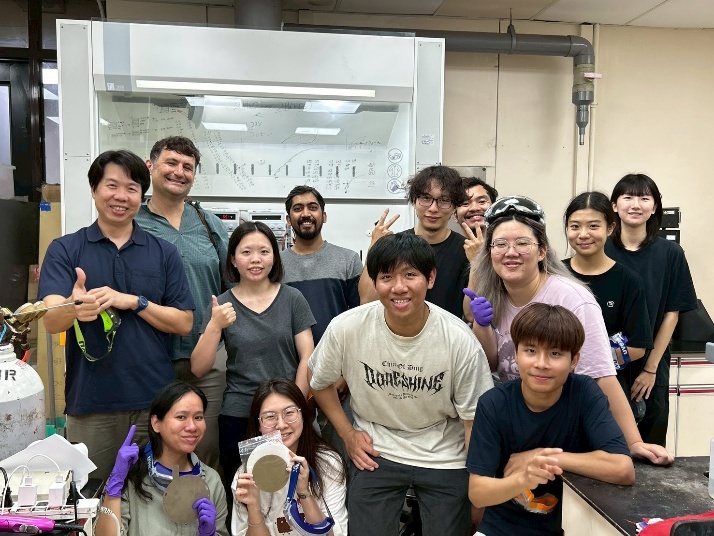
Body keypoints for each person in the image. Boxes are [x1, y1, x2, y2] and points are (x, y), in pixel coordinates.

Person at [466, 195, 673, 465]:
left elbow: (602, 375)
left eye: (522, 243)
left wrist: (633, 442)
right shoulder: (494, 294)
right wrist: (481, 326)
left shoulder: (572, 299)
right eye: (500, 244)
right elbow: (495, 363)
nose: (511, 252)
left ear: (542, 251)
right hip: (520, 428)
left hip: (567, 434)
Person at [310, 232, 493, 536]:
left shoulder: (458, 339)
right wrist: (349, 435)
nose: (398, 287)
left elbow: (473, 422)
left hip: (444, 454)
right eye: (386, 277)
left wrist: (478, 488)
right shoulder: (347, 327)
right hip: (377, 449)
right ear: (374, 281)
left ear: (430, 278)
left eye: (410, 275)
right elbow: (319, 383)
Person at [38, 150, 194, 481]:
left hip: (155, 404)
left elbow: (184, 323)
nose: (121, 196)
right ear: (94, 190)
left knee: (157, 492)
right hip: (92, 404)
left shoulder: (163, 252)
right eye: (112, 185)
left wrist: (135, 301)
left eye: (132, 188)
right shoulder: (66, 249)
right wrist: (74, 306)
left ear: (141, 195)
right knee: (91, 492)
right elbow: (51, 321)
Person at [467, 303, 634, 536]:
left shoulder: (585, 394)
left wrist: (542, 457)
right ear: (516, 354)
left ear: (574, 360)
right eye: (530, 350)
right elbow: (478, 493)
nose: (541, 364)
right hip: (502, 529)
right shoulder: (493, 404)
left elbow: (623, 469)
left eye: (555, 353)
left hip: (571, 528)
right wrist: (523, 479)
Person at [191, 221, 315, 499]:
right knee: (245, 493)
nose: (256, 259)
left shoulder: (292, 298)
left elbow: (308, 355)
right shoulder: (221, 304)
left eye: (264, 251)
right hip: (240, 414)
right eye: (246, 252)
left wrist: (294, 407)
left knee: (291, 489)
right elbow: (198, 368)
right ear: (233, 259)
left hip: (286, 415)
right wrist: (214, 325)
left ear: (275, 257)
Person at [135, 136, 229, 473]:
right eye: (171, 163)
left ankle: (205, 505)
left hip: (207, 355)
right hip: (150, 357)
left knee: (205, 447)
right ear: (150, 166)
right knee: (151, 447)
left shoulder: (208, 223)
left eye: (187, 167)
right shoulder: (134, 222)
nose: (179, 172)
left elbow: (232, 283)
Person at [605, 174, 697, 446]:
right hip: (606, 362)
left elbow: (672, 313)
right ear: (614, 205)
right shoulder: (601, 249)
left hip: (652, 362)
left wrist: (651, 368)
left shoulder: (670, 253)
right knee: (607, 440)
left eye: (644, 198)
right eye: (628, 197)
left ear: (655, 207)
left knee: (650, 440)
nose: (636, 205)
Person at [280, 185, 362, 460]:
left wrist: (344, 375)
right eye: (298, 208)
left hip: (339, 379)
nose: (306, 214)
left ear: (324, 216)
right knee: (295, 458)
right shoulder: (275, 266)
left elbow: (360, 322)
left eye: (312, 207)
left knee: (341, 454)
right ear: (288, 218)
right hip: (291, 377)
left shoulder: (348, 260)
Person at [95, 381, 228, 536]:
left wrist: (210, 534)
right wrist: (114, 489)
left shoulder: (212, 480)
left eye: (198, 417)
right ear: (156, 423)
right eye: (181, 417)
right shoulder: (131, 475)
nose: (192, 426)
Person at [562, 192, 654, 410]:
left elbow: (637, 347)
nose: (583, 234)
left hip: (607, 391)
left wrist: (587, 364)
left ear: (610, 228)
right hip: (557, 387)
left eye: (593, 226)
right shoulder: (555, 274)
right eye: (575, 226)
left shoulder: (628, 281)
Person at [231, 378, 348, 536]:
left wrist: (304, 492)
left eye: (289, 413)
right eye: (270, 417)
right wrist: (254, 507)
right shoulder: (245, 476)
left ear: (303, 415)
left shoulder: (328, 463)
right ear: (258, 425)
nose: (281, 425)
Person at [358, 165, 471, 319]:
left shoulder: (467, 250)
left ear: (455, 207)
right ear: (414, 201)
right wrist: (375, 247)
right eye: (426, 198)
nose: (433, 208)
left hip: (446, 332)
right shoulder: (394, 247)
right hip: (395, 331)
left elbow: (471, 314)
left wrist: (477, 262)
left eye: (444, 200)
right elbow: (367, 301)